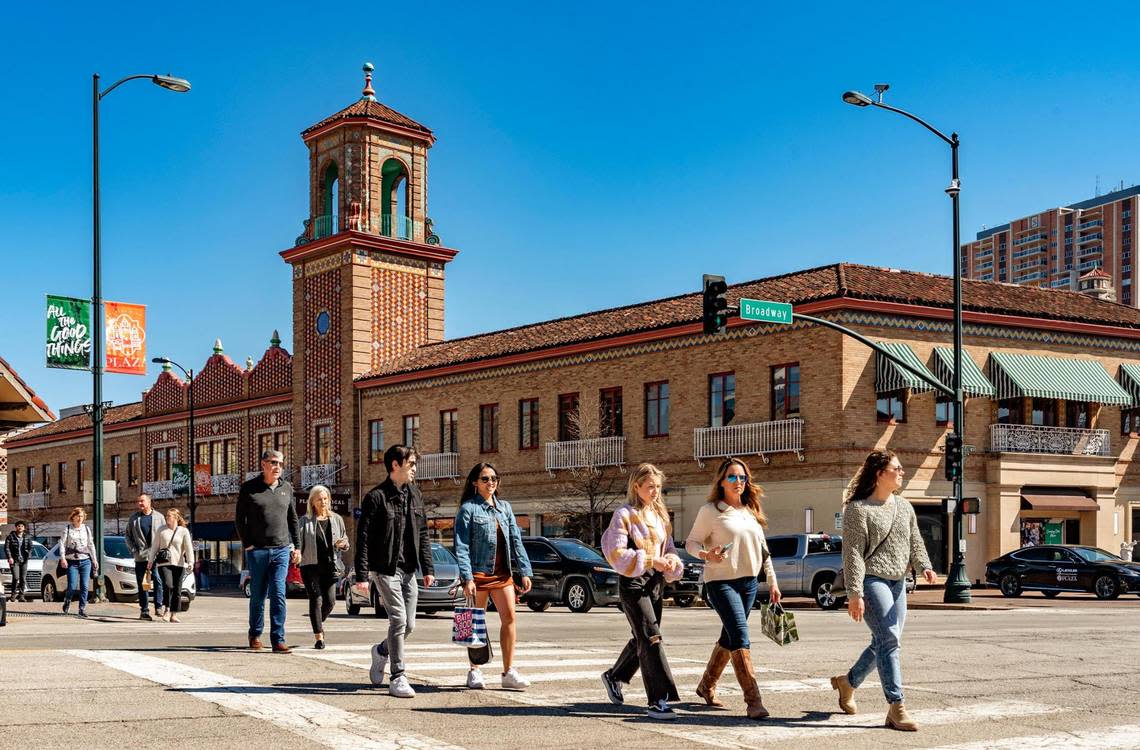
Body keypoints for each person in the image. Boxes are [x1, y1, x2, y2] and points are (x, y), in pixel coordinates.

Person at [830, 449, 936, 732]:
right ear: (879, 474)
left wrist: (924, 566)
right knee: (889, 639)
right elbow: (852, 554)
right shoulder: (857, 509)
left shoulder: (904, 507)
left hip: (898, 581)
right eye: (897, 469)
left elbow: (915, 540)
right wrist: (855, 593)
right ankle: (896, 706)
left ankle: (848, 683)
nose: (902, 473)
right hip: (871, 579)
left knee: (885, 641)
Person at [685, 457, 780, 720]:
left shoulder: (750, 509)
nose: (738, 482)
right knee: (740, 633)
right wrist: (706, 555)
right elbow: (691, 543)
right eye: (732, 477)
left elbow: (764, 551)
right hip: (720, 582)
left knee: (730, 637)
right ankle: (754, 701)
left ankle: (706, 686)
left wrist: (772, 581)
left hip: (749, 583)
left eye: (742, 477)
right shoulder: (711, 511)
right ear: (721, 481)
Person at [600, 463, 684, 720]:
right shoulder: (623, 514)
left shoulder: (660, 516)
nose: (655, 491)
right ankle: (659, 700)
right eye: (650, 487)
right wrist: (650, 560)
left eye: (658, 486)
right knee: (651, 637)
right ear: (636, 487)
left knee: (643, 637)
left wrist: (670, 560)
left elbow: (669, 547)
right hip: (633, 582)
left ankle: (614, 676)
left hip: (655, 582)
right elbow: (615, 553)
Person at [355, 445, 434, 698]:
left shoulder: (415, 495)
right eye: (410, 464)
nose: (414, 469)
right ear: (395, 465)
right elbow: (363, 538)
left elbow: (423, 533)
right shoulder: (376, 497)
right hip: (385, 569)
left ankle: (380, 652)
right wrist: (362, 575)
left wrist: (428, 567)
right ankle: (398, 676)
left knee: (409, 625)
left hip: (409, 570)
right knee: (398, 620)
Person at [453, 462, 534, 691]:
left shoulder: (505, 508)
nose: (491, 483)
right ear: (475, 483)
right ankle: (474, 670)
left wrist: (525, 571)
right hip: (477, 574)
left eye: (494, 478)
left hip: (502, 574)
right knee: (473, 622)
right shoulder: (468, 509)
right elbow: (461, 546)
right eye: (485, 478)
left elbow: (516, 540)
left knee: (509, 619)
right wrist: (467, 577)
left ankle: (508, 672)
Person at [236, 449, 301, 653]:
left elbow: (293, 519)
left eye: (280, 463)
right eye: (273, 462)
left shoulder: (287, 488)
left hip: (281, 549)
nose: (277, 467)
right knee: (257, 595)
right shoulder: (249, 488)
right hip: (257, 551)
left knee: (279, 593)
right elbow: (240, 520)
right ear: (263, 464)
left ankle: (278, 639)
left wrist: (297, 546)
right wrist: (248, 544)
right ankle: (255, 634)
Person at [299, 484, 349, 649]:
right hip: (310, 566)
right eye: (319, 499)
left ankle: (317, 621)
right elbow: (298, 543)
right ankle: (319, 637)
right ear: (312, 501)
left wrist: (343, 544)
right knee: (316, 599)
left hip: (330, 566)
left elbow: (345, 540)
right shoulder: (305, 521)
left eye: (325, 498)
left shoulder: (336, 519)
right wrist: (296, 553)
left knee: (330, 602)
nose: (323, 502)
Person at [147, 508, 194, 623]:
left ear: (176, 518)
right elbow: (154, 547)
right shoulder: (161, 530)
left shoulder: (183, 531)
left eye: (169, 516)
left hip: (179, 564)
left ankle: (174, 614)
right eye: (166, 515)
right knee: (168, 585)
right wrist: (150, 560)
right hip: (164, 563)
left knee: (178, 589)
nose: (167, 517)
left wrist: (191, 562)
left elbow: (188, 548)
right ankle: (167, 610)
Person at [125, 494, 166, 620]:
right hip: (141, 557)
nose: (140, 503)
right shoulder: (134, 518)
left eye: (142, 501)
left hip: (156, 556)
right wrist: (134, 550)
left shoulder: (159, 517)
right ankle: (144, 610)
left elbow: (165, 535)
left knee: (158, 581)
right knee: (143, 584)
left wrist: (162, 550)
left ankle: (158, 607)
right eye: (138, 501)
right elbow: (128, 536)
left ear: (149, 502)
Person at [59, 507, 99, 618]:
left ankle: (82, 608)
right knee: (72, 586)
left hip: (85, 560)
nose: (80, 518)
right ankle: (67, 600)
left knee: (85, 586)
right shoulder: (67, 529)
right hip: (72, 561)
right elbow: (62, 544)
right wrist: (63, 558)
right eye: (78, 516)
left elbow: (91, 544)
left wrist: (94, 559)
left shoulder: (86, 529)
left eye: (82, 516)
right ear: (73, 517)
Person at [5, 520, 33, 602]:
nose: (20, 527)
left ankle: (21, 596)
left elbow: (31, 547)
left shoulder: (27, 537)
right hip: (14, 560)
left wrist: (29, 554)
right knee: (16, 577)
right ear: (16, 527)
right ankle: (13, 595)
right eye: (18, 526)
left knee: (23, 578)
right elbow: (7, 548)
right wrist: (10, 557)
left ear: (24, 528)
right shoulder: (10, 536)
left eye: (22, 526)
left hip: (24, 560)